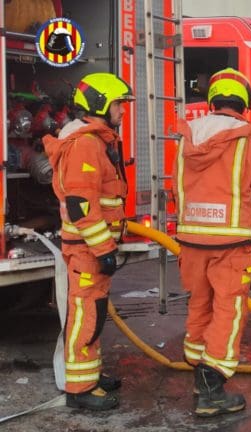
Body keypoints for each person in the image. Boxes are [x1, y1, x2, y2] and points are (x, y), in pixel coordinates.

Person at [172, 67, 251, 417]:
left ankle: (198, 369)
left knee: (200, 304)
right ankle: (211, 386)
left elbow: (177, 189)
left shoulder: (189, 135)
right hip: (231, 245)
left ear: (213, 99)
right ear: (244, 102)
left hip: (191, 242)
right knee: (229, 311)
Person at [43, 72, 135, 410]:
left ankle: (89, 375)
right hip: (87, 250)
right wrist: (104, 248)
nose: (122, 112)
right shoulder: (85, 143)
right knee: (86, 316)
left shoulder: (96, 141)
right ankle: (79, 391)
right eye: (118, 105)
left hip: (91, 249)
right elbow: (81, 205)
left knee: (92, 314)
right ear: (99, 105)